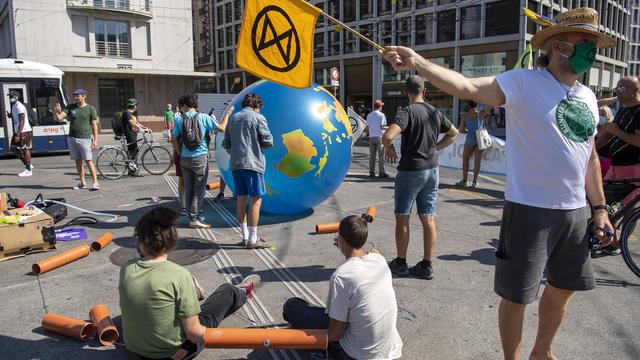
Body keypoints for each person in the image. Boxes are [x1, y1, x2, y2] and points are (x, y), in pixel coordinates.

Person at [382, 7, 614, 360]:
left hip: (576, 212)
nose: (592, 51)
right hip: (530, 210)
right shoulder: (524, 82)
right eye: (585, 42)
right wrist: (419, 63)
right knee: (517, 295)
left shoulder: (587, 96)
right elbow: (467, 85)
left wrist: (598, 208)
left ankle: (542, 351)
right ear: (559, 46)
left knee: (564, 287)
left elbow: (590, 156)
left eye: (594, 44)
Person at [119, 205, 260, 360]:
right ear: (172, 241)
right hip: (173, 354)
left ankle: (193, 291)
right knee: (224, 294)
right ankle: (240, 292)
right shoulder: (179, 275)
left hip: (136, 350)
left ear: (140, 242)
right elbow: (194, 333)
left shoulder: (127, 268)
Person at [282, 215, 403, 360]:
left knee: (293, 306)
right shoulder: (380, 260)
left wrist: (304, 336)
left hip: (356, 355)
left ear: (341, 240)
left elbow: (335, 333)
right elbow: (374, 252)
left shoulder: (342, 276)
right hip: (390, 349)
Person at [382, 75, 459, 280]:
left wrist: (389, 147)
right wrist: (437, 147)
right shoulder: (434, 112)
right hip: (432, 170)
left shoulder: (406, 112)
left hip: (410, 170)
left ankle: (400, 262)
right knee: (428, 217)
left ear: (406, 92)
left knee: (402, 217)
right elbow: (454, 133)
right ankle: (426, 265)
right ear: (424, 91)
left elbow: (388, 136)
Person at [596, 77, 640, 255]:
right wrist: (590, 148)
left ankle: (620, 244)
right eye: (617, 87)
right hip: (616, 165)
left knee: (627, 208)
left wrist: (617, 132)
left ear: (635, 89)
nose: (617, 91)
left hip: (633, 166)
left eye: (621, 88)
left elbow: (638, 140)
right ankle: (609, 240)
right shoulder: (622, 110)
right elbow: (608, 135)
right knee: (605, 203)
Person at [222, 93, 273, 249]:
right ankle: (252, 239)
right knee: (256, 200)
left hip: (236, 164)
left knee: (241, 199)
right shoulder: (258, 118)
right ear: (257, 105)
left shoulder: (233, 118)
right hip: (253, 164)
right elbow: (269, 141)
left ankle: (244, 237)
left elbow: (226, 143)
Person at [172, 95, 227, 229]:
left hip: (185, 158)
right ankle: (194, 217)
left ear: (185, 106)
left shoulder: (179, 119)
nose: (181, 109)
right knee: (200, 187)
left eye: (181, 106)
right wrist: (228, 115)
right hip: (200, 158)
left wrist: (180, 152)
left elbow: (174, 138)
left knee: (189, 187)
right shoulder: (204, 117)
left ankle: (191, 216)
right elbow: (221, 128)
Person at [53, 88, 100, 190]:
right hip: (72, 138)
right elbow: (59, 118)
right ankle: (82, 183)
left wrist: (95, 140)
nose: (76, 97)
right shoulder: (70, 107)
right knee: (78, 161)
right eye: (75, 95)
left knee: (88, 160)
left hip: (85, 138)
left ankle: (95, 182)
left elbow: (94, 126)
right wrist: (56, 111)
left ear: (84, 96)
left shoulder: (91, 109)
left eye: (78, 96)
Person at [455, 101, 491, 188]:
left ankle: (464, 181)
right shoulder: (481, 113)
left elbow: (461, 130)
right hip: (480, 139)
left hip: (470, 138)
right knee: (477, 162)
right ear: (477, 104)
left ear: (468, 105)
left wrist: (467, 130)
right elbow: (490, 107)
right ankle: (474, 182)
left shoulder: (465, 116)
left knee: (465, 160)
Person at [7, 91, 33, 177]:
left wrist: (18, 134)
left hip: (24, 131)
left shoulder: (19, 106)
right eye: (10, 96)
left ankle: (28, 170)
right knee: (13, 148)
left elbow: (22, 121)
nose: (10, 98)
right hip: (17, 130)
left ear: (17, 97)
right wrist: (10, 115)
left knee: (25, 149)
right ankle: (27, 164)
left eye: (12, 96)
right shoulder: (14, 106)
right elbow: (17, 117)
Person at [122, 98, 150, 177]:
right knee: (133, 152)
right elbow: (132, 124)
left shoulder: (131, 114)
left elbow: (137, 123)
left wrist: (145, 128)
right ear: (134, 106)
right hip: (130, 134)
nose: (136, 106)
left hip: (133, 134)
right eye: (136, 105)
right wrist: (142, 130)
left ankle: (131, 169)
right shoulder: (127, 113)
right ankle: (133, 171)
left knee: (134, 151)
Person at [208, 108, 231, 202]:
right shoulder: (227, 121)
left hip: (231, 150)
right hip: (227, 150)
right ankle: (221, 193)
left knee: (228, 172)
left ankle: (234, 193)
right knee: (224, 172)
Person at [366, 99, 389, 178]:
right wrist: (388, 128)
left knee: (372, 156)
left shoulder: (369, 115)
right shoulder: (381, 115)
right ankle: (381, 172)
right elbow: (382, 127)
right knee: (381, 156)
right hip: (379, 137)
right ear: (380, 107)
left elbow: (367, 127)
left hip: (371, 137)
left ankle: (371, 172)